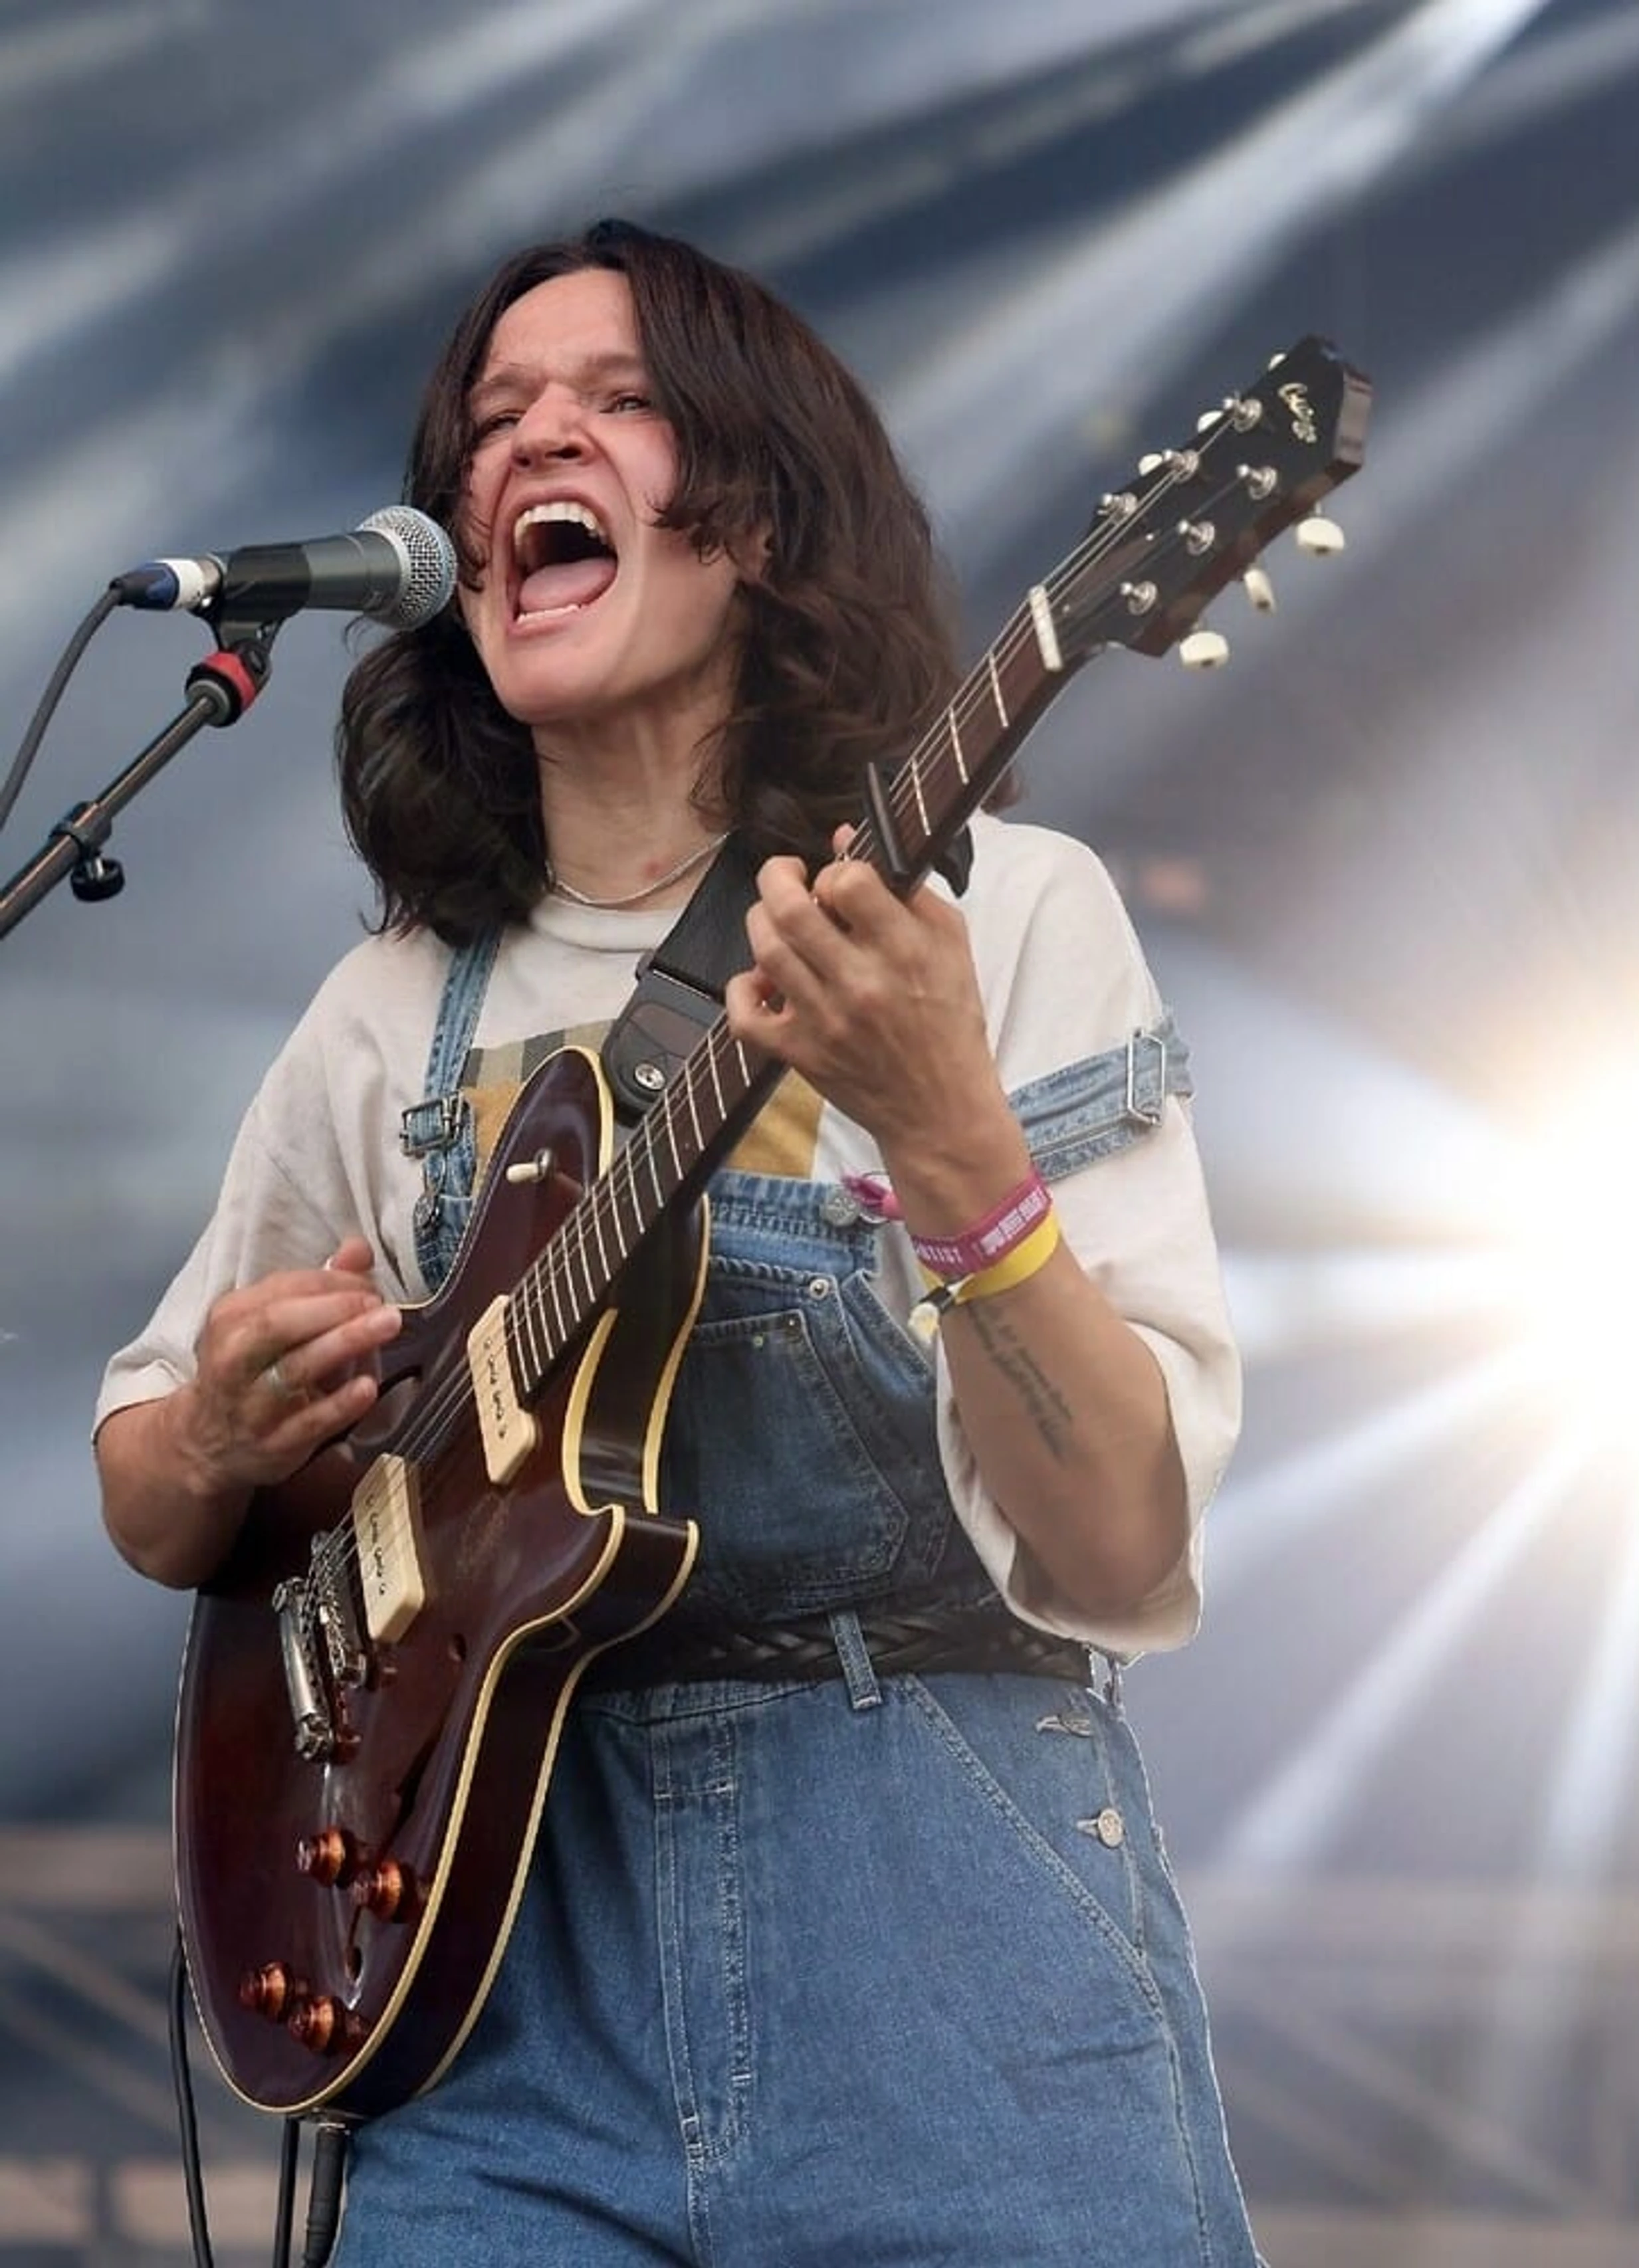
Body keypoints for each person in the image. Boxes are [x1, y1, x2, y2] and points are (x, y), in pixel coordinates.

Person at [94, 217, 1257, 2265]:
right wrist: (216, 1438)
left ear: (761, 523)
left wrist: (958, 1154)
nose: (527, 441)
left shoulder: (996, 911)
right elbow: (150, 1474)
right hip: (498, 2003)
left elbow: (1117, 1545)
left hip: (951, 1968)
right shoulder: (394, 1009)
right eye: (492, 420)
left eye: (617, 400)